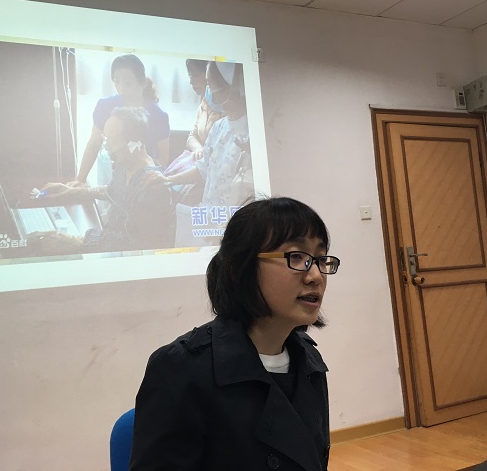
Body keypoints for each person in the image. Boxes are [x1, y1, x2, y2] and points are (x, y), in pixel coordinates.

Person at [130, 197, 340, 471]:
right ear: (243, 267)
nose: (316, 276)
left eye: (320, 259)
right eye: (296, 257)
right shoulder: (180, 368)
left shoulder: (309, 360)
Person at [28, 107, 174, 254]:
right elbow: (112, 191)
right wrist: (71, 191)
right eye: (105, 139)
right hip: (109, 243)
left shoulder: (151, 186)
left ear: (134, 143)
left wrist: (74, 241)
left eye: (111, 140)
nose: (106, 146)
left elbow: (132, 243)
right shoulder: (124, 165)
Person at [161, 61, 252, 208]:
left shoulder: (253, 134)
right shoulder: (218, 127)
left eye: (211, 85)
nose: (210, 94)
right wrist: (169, 180)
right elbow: (203, 169)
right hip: (209, 213)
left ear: (234, 87)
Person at [72, 54, 170, 186]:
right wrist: (80, 179)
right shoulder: (105, 106)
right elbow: (94, 143)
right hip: (111, 171)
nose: (121, 89)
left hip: (143, 177)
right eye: (116, 82)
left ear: (143, 83)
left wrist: (148, 180)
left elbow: (162, 158)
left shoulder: (158, 116)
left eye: (128, 83)